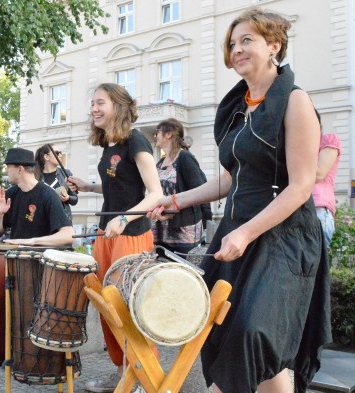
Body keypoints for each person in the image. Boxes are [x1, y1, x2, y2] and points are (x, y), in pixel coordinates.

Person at [150, 8, 331, 392]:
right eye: (232, 43)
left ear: (274, 46)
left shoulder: (295, 101)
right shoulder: (238, 108)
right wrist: (177, 200)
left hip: (285, 239)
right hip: (239, 233)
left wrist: (245, 233)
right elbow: (233, 177)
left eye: (247, 40)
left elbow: (301, 185)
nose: (237, 49)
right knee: (242, 334)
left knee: (254, 333)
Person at [65, 83, 163, 392]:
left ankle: (144, 375)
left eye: (100, 103)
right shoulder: (110, 145)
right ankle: (122, 371)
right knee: (108, 309)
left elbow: (156, 194)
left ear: (117, 106)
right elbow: (118, 188)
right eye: (92, 103)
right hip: (105, 233)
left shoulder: (136, 141)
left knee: (130, 311)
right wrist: (88, 186)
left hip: (130, 234)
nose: (94, 108)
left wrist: (124, 218)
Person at [0, 147, 74, 246]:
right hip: (16, 259)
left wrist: (32, 241)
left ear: (20, 169)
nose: (6, 171)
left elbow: (69, 234)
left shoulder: (48, 195)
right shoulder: (10, 195)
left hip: (40, 258)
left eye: (8, 167)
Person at [153, 118, 211, 254]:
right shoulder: (160, 163)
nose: (155, 136)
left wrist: (207, 222)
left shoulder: (185, 158)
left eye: (158, 132)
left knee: (183, 271)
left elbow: (200, 191)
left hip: (184, 230)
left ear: (169, 134)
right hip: (162, 229)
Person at [311, 113, 342, 246]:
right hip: (295, 212)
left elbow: (318, 173)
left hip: (317, 209)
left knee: (315, 266)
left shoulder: (328, 140)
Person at [34, 143, 78, 222]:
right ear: (46, 157)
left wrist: (68, 198)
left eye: (61, 153)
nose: (61, 155)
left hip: (62, 222)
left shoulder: (66, 174)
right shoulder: (35, 177)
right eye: (57, 153)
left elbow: (75, 199)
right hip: (42, 222)